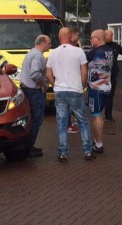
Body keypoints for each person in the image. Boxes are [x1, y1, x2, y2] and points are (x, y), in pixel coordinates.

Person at [46, 27, 95, 162]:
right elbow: (84, 72)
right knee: (83, 121)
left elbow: (48, 74)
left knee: (61, 123)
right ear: (70, 36)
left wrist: (55, 84)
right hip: (75, 90)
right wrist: (82, 85)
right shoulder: (79, 51)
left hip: (60, 91)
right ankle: (87, 151)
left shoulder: (53, 53)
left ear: (59, 37)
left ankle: (63, 153)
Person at [19, 34, 51, 157]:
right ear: (42, 42)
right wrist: (43, 84)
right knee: (36, 120)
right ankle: (29, 147)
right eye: (49, 43)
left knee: (31, 119)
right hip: (34, 92)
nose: (50, 45)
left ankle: (28, 145)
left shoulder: (31, 53)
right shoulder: (38, 56)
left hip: (27, 90)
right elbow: (35, 74)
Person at [85, 29, 115, 153]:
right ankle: (98, 142)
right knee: (99, 114)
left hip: (96, 88)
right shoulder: (109, 51)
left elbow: (83, 62)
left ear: (98, 38)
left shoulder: (95, 52)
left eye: (92, 38)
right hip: (106, 86)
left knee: (96, 115)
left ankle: (98, 144)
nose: (91, 40)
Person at [66, 26, 81, 134]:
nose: (78, 37)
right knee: (69, 104)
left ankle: (69, 123)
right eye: (77, 35)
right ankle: (68, 125)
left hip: (68, 82)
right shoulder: (74, 49)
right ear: (72, 35)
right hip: (70, 82)